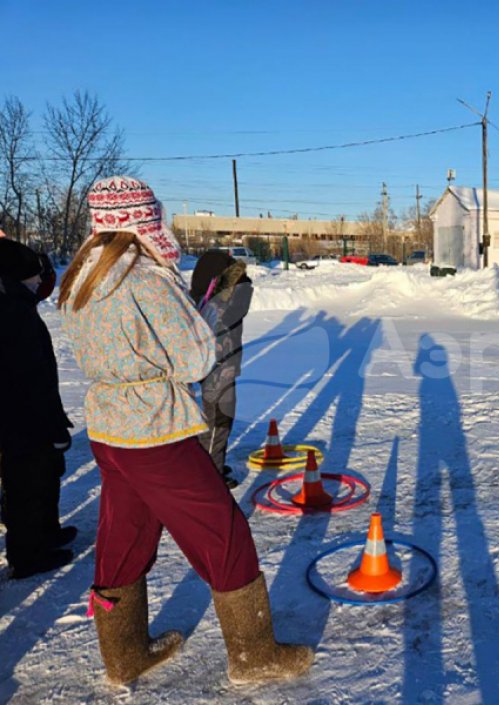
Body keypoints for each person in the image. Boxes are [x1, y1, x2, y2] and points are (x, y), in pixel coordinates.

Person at [59, 176, 312, 685]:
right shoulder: (147, 278)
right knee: (223, 532)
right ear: (142, 220)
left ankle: (124, 655)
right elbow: (197, 358)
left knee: (124, 535)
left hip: (108, 429)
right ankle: (253, 655)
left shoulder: (82, 274)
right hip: (155, 430)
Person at [0, 239, 76, 579]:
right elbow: (31, 376)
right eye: (32, 276)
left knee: (47, 475)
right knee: (27, 485)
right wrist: (52, 424)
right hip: (24, 417)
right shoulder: (12, 310)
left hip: (28, 414)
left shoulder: (19, 303)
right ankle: (27, 553)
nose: (38, 282)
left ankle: (46, 533)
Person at [190, 250, 253, 489]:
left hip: (211, 366)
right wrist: (242, 279)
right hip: (219, 368)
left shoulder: (201, 299)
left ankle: (211, 464)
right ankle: (211, 476)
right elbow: (241, 302)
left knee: (214, 419)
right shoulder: (222, 305)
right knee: (219, 422)